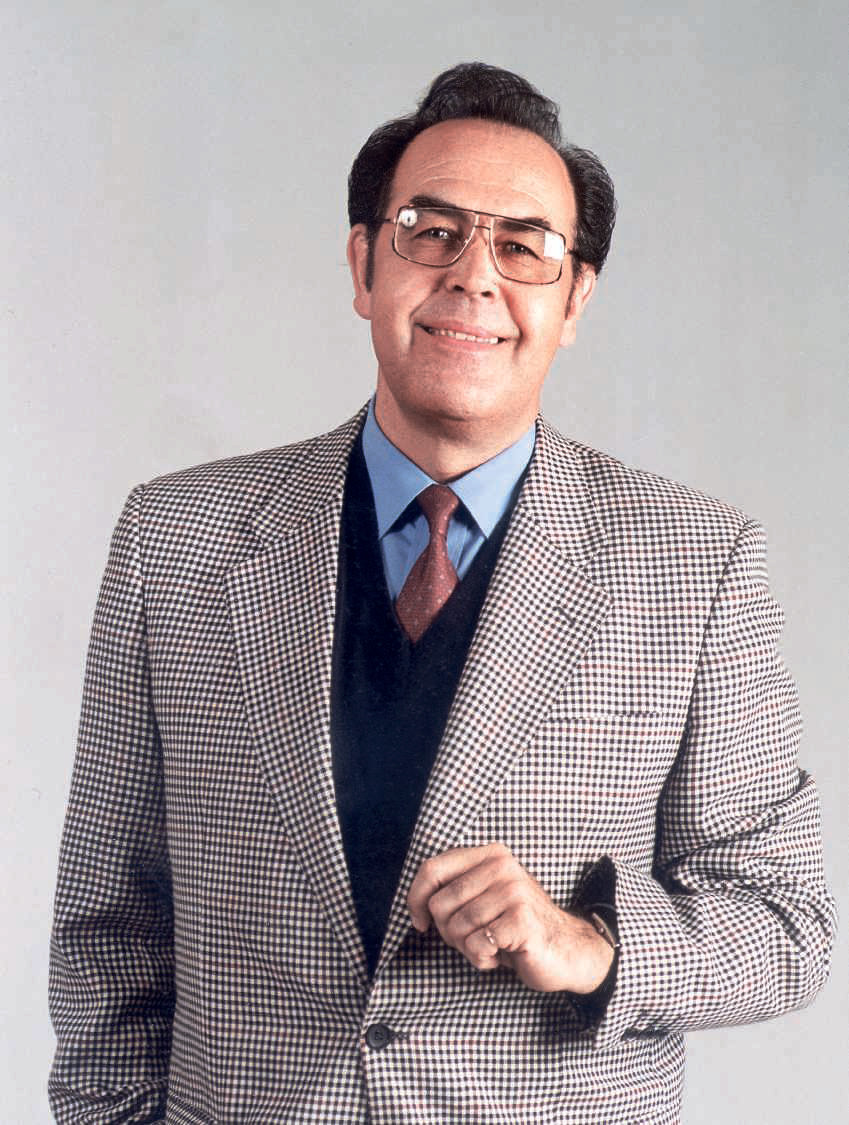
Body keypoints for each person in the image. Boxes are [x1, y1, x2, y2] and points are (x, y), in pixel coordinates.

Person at [48, 63, 836, 1124]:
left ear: (573, 299)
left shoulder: (695, 563)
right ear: (364, 264)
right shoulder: (175, 538)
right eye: (432, 231)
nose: (473, 276)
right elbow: (108, 922)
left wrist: (589, 943)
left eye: (525, 246)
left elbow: (788, 925)